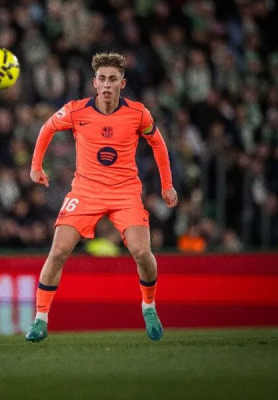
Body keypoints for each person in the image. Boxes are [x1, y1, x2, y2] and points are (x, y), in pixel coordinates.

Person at [25, 52, 178, 343]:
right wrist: (36, 167)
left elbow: (158, 144)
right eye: (102, 79)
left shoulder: (138, 114)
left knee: (142, 253)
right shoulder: (76, 111)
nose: (107, 84)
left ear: (123, 83)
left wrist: (166, 185)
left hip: (125, 192)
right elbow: (47, 128)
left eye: (113, 79)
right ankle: (40, 320)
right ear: (94, 83)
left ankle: (149, 307)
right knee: (58, 252)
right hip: (86, 191)